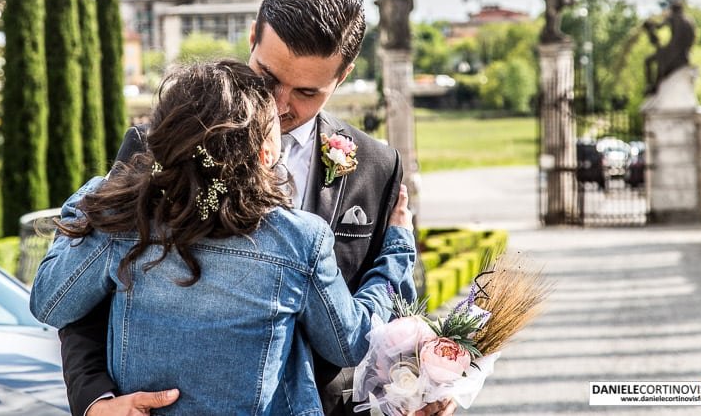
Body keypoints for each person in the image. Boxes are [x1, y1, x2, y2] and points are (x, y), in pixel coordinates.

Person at [58, 0, 451, 416]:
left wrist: (419, 384)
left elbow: (396, 306)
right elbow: (89, 292)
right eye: (267, 75)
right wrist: (96, 401)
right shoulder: (158, 146)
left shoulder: (378, 165)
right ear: (252, 37)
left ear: (342, 76)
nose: (279, 104)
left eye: (307, 92)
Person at [31, 60, 417, 415]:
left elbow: (51, 304)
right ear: (266, 154)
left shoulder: (124, 217)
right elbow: (349, 342)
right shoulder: (298, 240)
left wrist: (97, 196)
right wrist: (397, 248)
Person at [643, 0, 695, 94]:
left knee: (649, 61)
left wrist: (650, 25)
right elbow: (693, 39)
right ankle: (655, 86)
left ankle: (652, 86)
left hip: (674, 52)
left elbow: (658, 26)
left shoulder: (673, 18)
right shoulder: (689, 20)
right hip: (684, 54)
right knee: (660, 58)